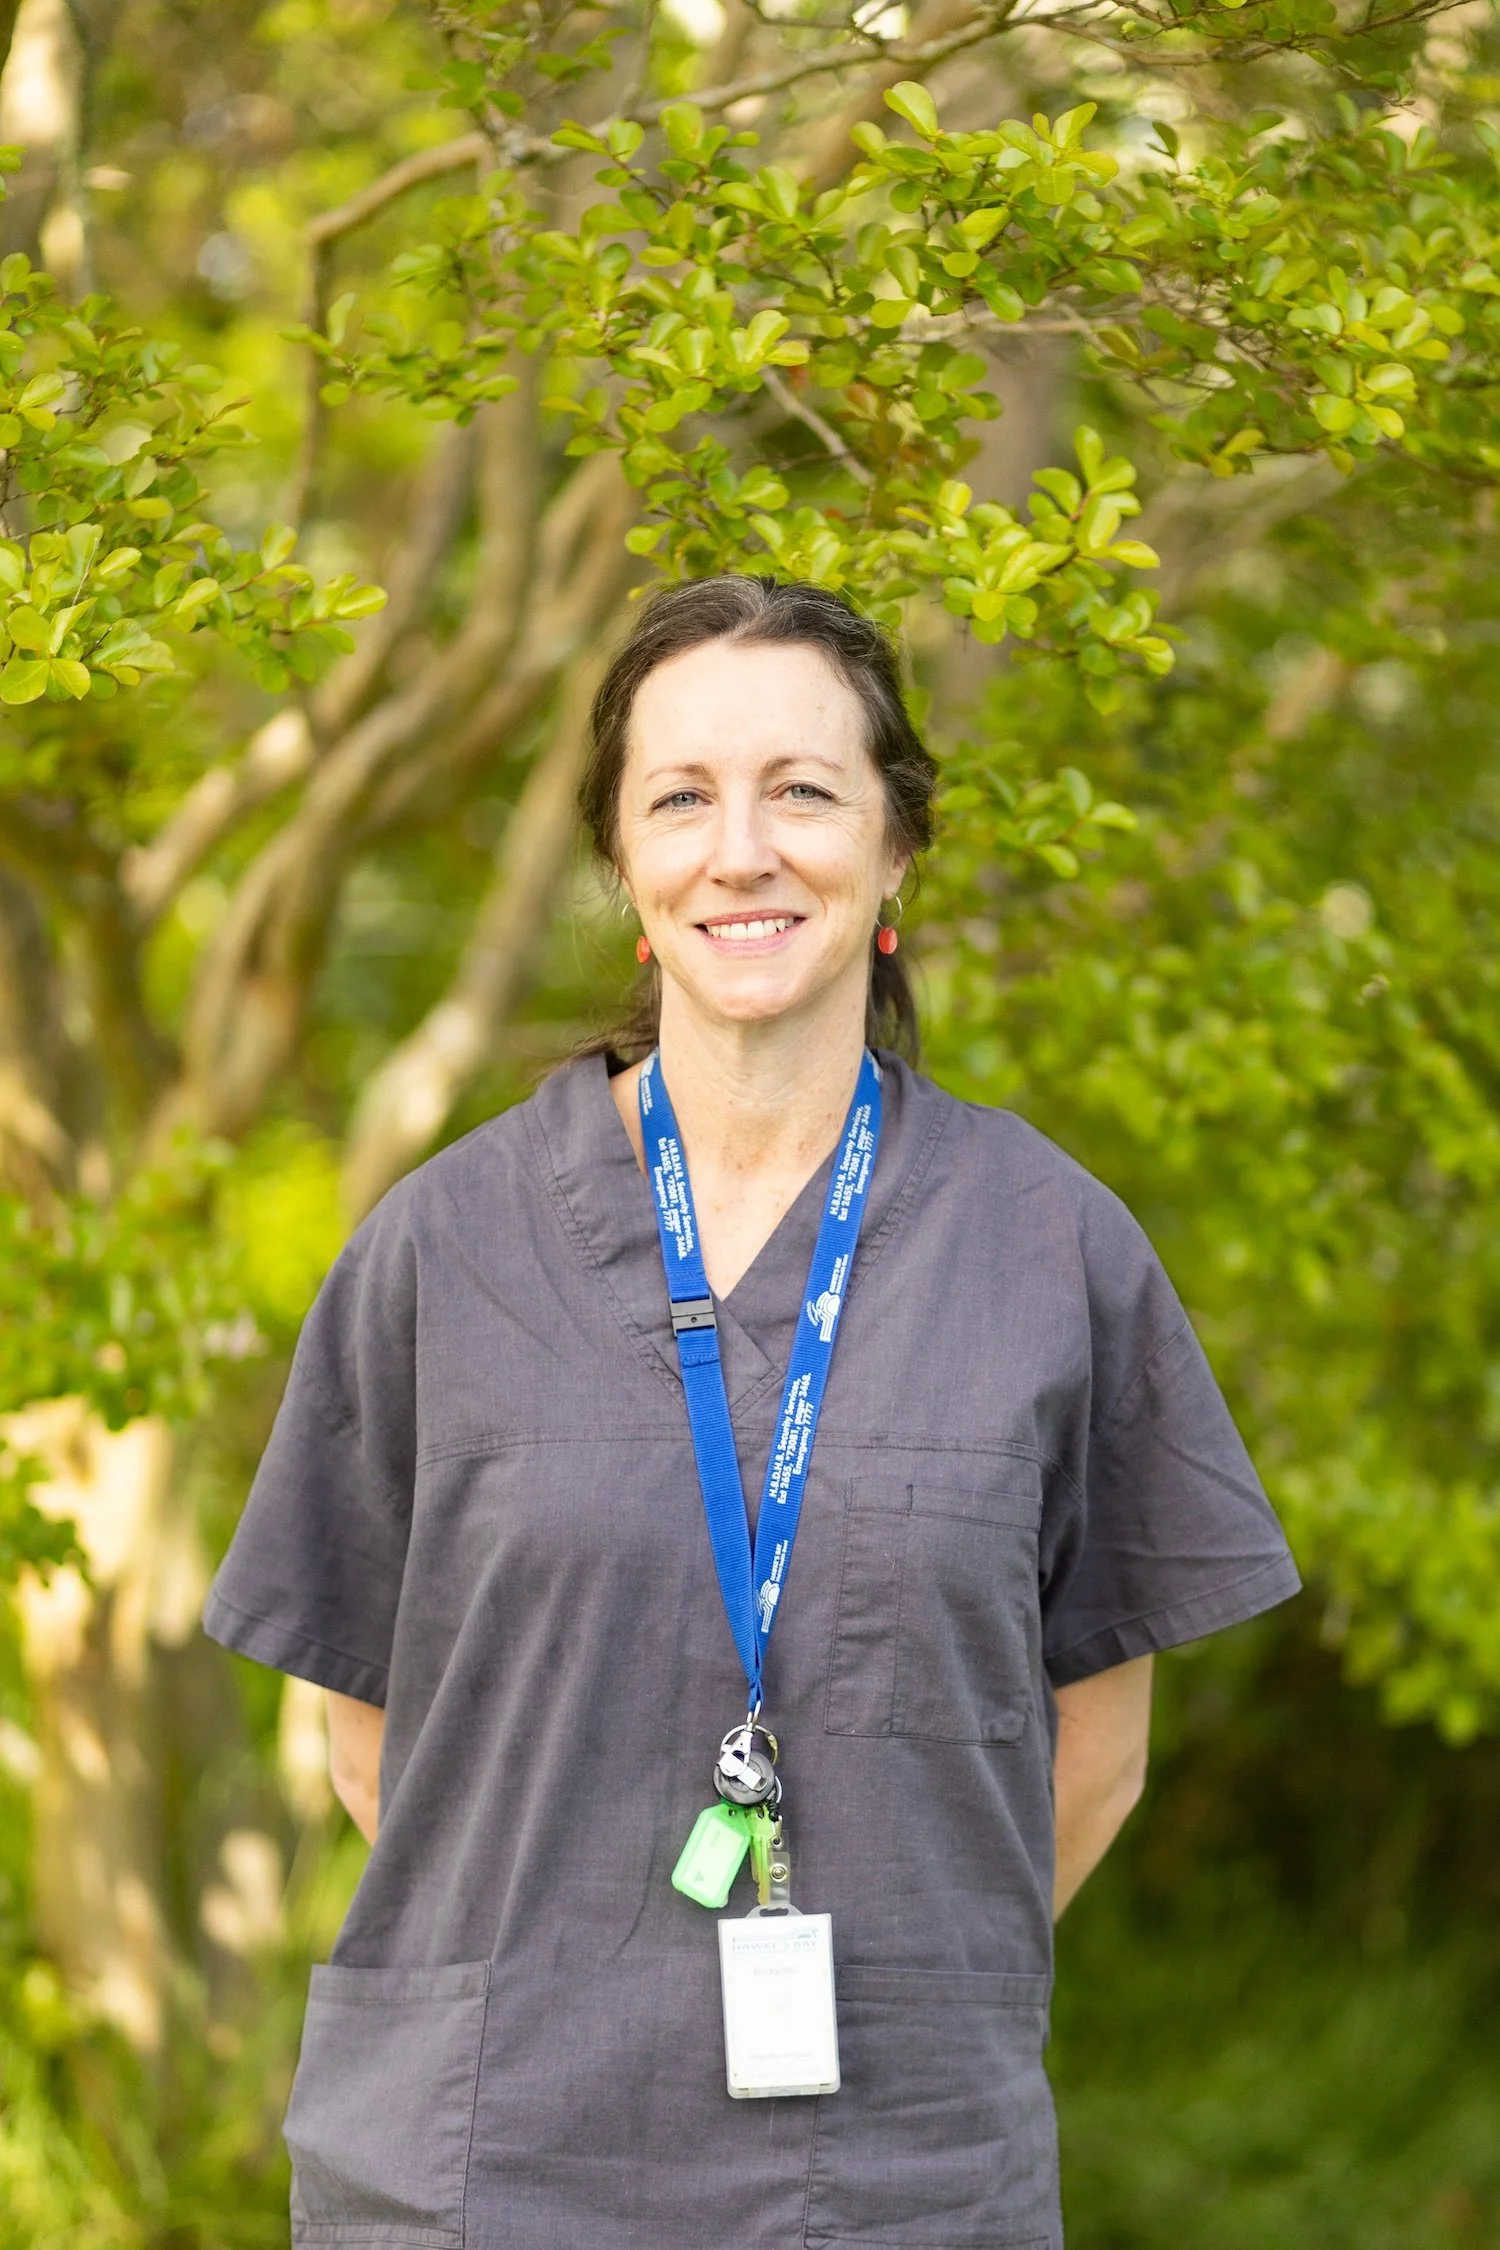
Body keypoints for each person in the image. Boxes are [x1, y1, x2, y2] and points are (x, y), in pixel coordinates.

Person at [203, 575, 1300, 2250]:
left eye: (801, 790)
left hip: (899, 2181)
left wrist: (915, 1975)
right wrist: (571, 1965)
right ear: (624, 864)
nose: (741, 850)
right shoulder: (444, 1247)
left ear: (896, 846)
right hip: (483, 2170)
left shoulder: (1047, 1247)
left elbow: (1101, 1749)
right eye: (681, 798)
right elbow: (372, 1737)